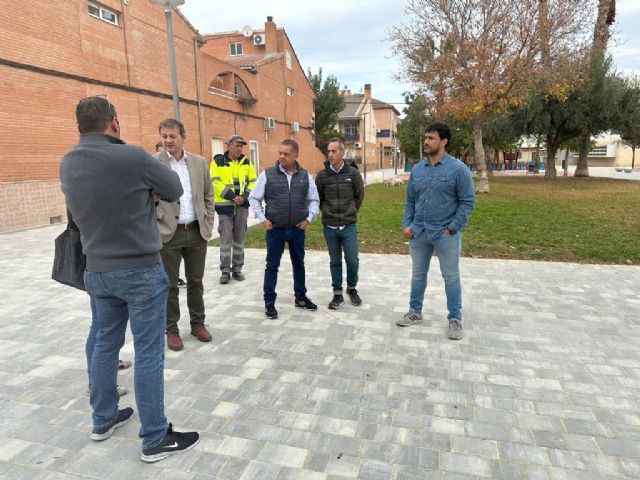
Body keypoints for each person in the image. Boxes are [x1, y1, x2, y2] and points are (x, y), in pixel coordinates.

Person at [60, 95, 199, 462]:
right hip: (139, 270)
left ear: (79, 127)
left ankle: (102, 419)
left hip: (97, 271)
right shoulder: (134, 156)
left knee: (105, 345)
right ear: (115, 123)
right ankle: (154, 438)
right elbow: (174, 189)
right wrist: (145, 195)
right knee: (149, 352)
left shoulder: (68, 162)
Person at [397, 122, 475, 340]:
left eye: (431, 138)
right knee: (418, 274)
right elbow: (410, 200)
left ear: (444, 141)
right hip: (419, 232)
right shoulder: (418, 170)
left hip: (444, 233)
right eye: (426, 137)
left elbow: (467, 202)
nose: (426, 141)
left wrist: (453, 227)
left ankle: (455, 319)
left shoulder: (458, 169)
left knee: (450, 277)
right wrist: (407, 224)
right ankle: (415, 311)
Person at [155, 118, 215, 351]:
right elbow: (145, 198)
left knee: (196, 282)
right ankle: (171, 329)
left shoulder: (199, 163)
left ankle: (198, 323)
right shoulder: (154, 163)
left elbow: (208, 196)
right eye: (164, 136)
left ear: (182, 136)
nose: (168, 140)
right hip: (168, 233)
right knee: (168, 285)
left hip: (196, 231)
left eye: (172, 136)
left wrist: (208, 223)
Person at [248, 139, 320, 319]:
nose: (281, 156)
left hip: (297, 229)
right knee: (272, 266)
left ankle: (300, 297)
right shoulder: (267, 174)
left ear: (296, 155)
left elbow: (314, 200)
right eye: (280, 153)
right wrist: (262, 219)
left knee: (299, 264)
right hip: (275, 229)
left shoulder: (305, 176)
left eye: (286, 154)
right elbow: (254, 198)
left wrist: (309, 219)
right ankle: (269, 301)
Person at [315, 138, 365, 309]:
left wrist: (350, 212)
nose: (330, 154)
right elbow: (318, 198)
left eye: (334, 151)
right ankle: (337, 293)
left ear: (342, 152)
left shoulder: (353, 174)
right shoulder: (322, 176)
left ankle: (351, 288)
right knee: (334, 261)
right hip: (329, 226)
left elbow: (359, 197)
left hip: (348, 225)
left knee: (352, 260)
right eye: (328, 151)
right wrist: (327, 213)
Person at [210, 135, 257, 284]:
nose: (239, 148)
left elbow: (253, 182)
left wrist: (244, 197)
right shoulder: (217, 162)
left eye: (241, 146)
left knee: (239, 239)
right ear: (228, 146)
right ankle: (225, 270)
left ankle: (237, 269)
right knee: (225, 239)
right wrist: (231, 196)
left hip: (242, 206)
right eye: (237, 145)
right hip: (225, 208)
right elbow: (214, 183)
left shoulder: (247, 163)